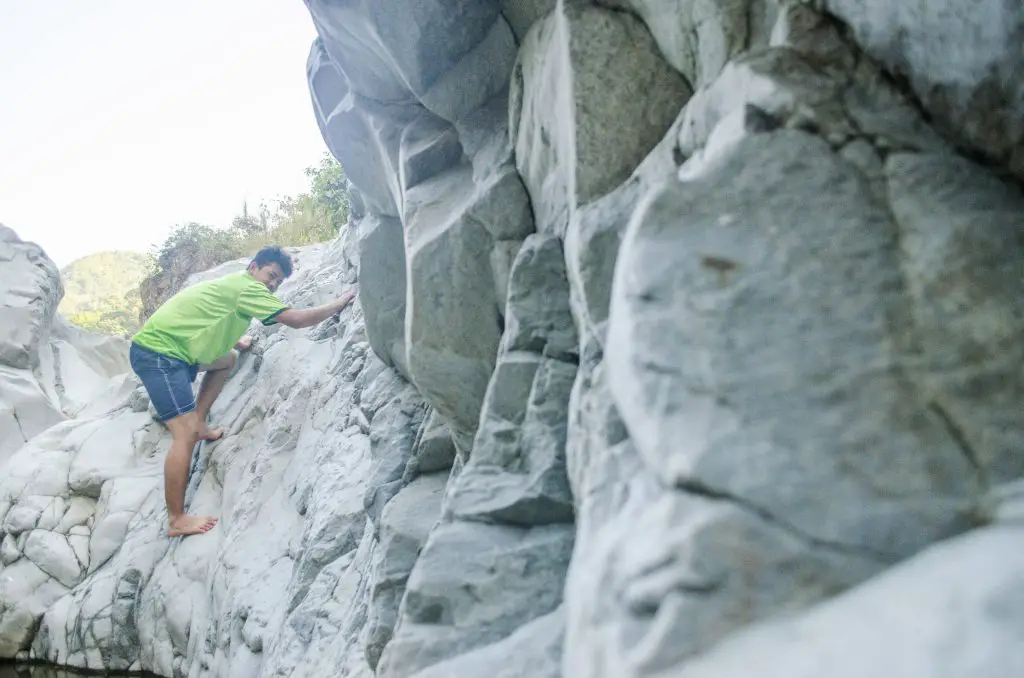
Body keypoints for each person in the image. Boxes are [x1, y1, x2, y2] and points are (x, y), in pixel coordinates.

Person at [129, 246, 355, 537]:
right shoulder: (248, 288)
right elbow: (296, 320)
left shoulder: (237, 285)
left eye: (278, 282)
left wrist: (236, 341)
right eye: (271, 275)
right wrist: (338, 304)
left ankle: (199, 420)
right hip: (159, 354)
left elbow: (213, 316)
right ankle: (176, 519)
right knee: (182, 435)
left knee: (226, 360)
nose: (273, 284)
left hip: (176, 349)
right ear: (253, 268)